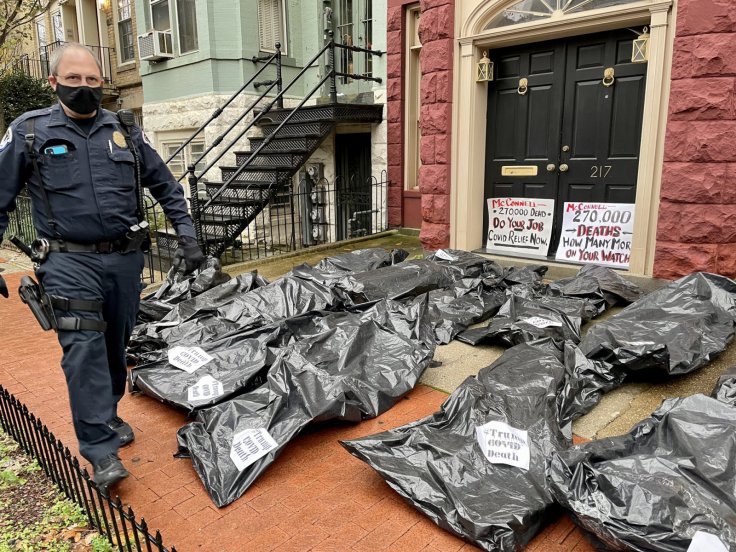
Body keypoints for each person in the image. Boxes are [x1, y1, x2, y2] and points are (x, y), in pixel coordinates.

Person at [0, 43, 204, 490]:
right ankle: (98, 450)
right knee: (83, 349)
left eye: (92, 80)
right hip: (67, 261)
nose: (84, 88)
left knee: (116, 344)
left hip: (125, 260)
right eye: (73, 80)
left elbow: (166, 187)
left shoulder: (126, 132)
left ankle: (107, 414)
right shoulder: (29, 132)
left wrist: (188, 238)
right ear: (53, 82)